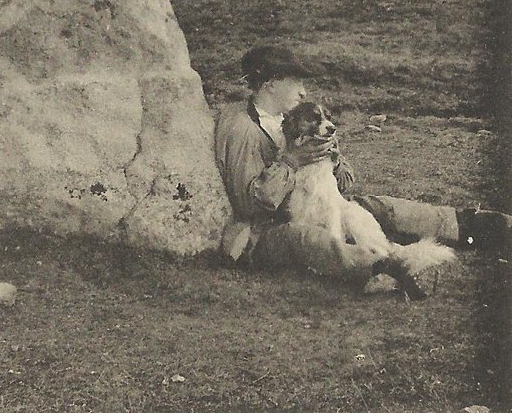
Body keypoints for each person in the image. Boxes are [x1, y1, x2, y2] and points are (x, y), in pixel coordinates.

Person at [214, 43, 511, 299]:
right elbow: (248, 203)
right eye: (296, 83)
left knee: (373, 205)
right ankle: (383, 268)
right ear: (271, 83)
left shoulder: (291, 119)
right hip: (263, 234)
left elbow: (341, 186)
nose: (303, 92)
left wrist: (333, 158)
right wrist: (292, 161)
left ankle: (472, 225)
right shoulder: (243, 127)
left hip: (309, 202)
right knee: (306, 237)